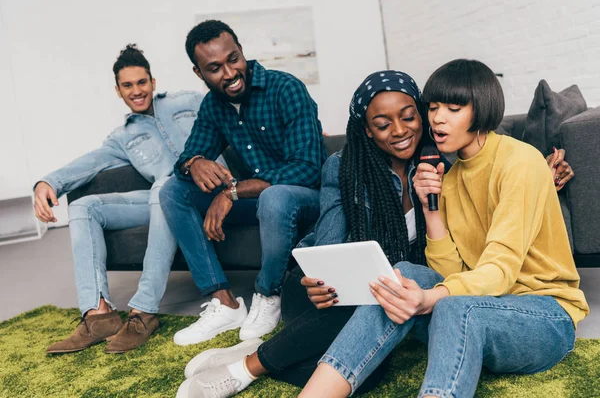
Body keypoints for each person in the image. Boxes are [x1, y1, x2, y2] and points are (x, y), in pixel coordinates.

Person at [298, 59, 589, 398]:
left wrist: (431, 299)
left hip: (544, 315)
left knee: (451, 305)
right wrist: (430, 210)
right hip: (478, 308)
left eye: (453, 108)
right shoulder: (447, 178)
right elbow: (451, 272)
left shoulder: (520, 162)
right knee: (399, 278)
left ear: (481, 110)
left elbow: (501, 270)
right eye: (433, 107)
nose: (437, 118)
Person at [175, 70, 443, 398]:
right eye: (384, 124)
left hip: (386, 302)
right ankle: (243, 369)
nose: (400, 131)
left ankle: (260, 353)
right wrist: (319, 281)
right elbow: (329, 244)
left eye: (408, 117)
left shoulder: (438, 166)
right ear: (368, 131)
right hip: (321, 299)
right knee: (362, 305)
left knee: (371, 374)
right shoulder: (345, 166)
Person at [159, 20, 327, 345]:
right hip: (259, 202)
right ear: (199, 74)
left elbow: (309, 169)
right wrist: (195, 163)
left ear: (241, 50)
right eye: (215, 68)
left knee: (275, 197)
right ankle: (224, 302)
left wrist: (232, 192)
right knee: (173, 191)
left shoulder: (286, 88)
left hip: (303, 200)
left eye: (233, 58)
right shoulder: (213, 106)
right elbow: (188, 157)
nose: (229, 72)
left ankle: (267, 294)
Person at [37, 44, 204, 354]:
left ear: (153, 82)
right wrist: (49, 182)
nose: (136, 91)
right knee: (84, 207)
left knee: (164, 187)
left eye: (142, 82)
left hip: (204, 190)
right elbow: (90, 162)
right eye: (127, 85)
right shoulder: (122, 136)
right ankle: (99, 314)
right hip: (162, 201)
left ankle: (143, 312)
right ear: (118, 91)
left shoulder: (190, 101)